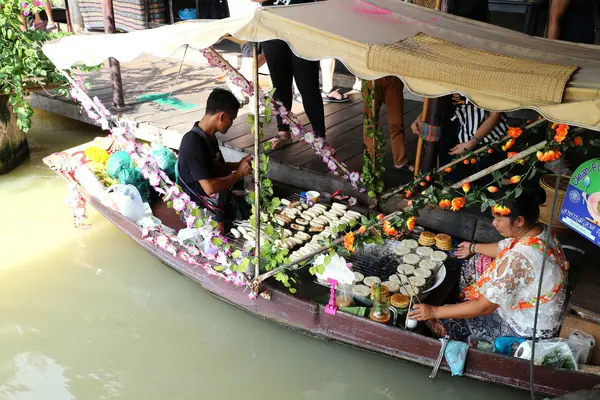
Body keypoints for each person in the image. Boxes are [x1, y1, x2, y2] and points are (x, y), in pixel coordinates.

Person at [409, 194, 569, 341]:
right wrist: (472, 247)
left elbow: (484, 307)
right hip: (538, 300)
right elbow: (505, 247)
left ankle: (462, 316)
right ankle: (463, 305)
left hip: (527, 327)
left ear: (519, 221)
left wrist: (434, 311)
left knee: (442, 322)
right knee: (475, 262)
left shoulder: (518, 260)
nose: (494, 224)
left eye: (499, 219)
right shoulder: (538, 230)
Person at [177, 89, 253, 234]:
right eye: (232, 119)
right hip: (197, 202)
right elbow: (209, 188)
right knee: (219, 231)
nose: (231, 123)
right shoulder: (193, 142)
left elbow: (220, 166)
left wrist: (239, 164)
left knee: (248, 208)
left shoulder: (209, 136)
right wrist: (238, 174)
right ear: (222, 116)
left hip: (214, 197)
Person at [253, 0, 326, 150]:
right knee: (279, 85)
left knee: (308, 84)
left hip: (304, 27)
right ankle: (283, 132)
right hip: (272, 28)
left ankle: (319, 135)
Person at [362, 77, 410, 171]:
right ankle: (370, 164)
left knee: (397, 122)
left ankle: (400, 161)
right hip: (371, 77)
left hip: (393, 76)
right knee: (370, 123)